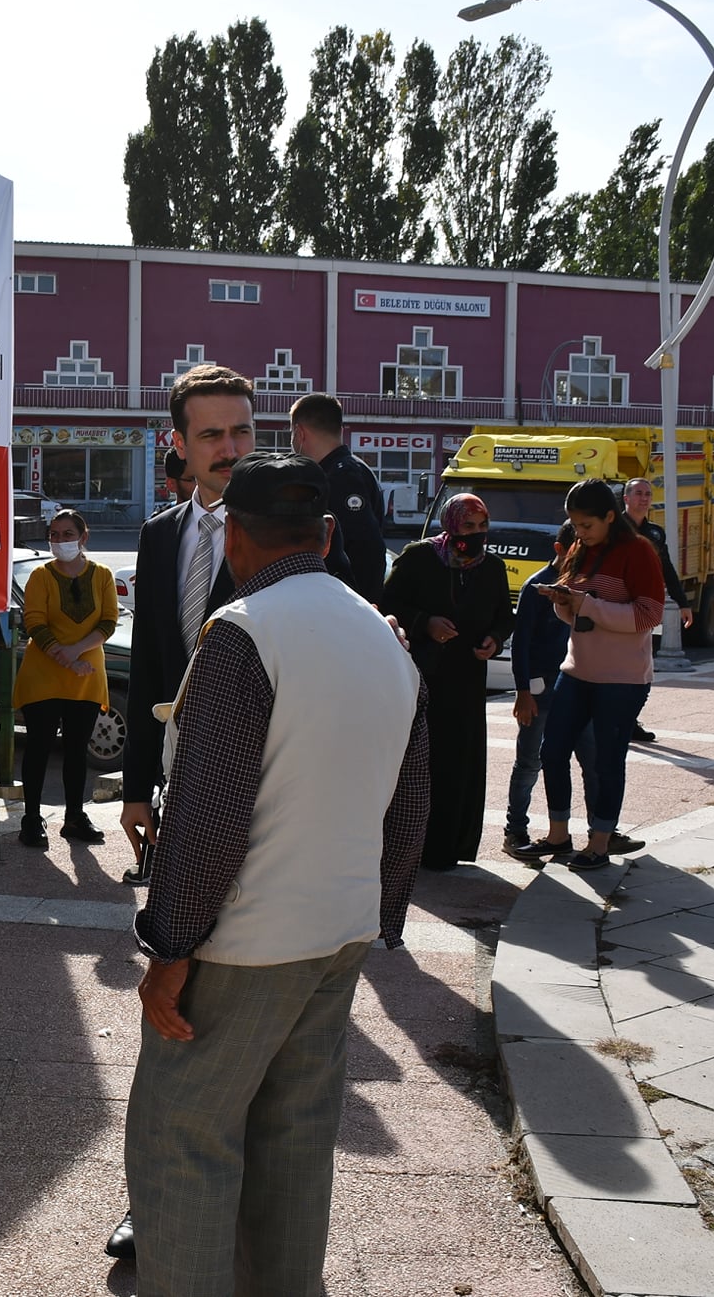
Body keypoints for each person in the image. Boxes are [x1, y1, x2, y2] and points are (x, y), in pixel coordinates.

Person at [125, 452, 427, 1297]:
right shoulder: (381, 632)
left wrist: (171, 946)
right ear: (327, 534)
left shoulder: (244, 631)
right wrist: (380, 915)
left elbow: (208, 815)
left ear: (235, 540)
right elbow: (412, 803)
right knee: (293, 1142)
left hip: (248, 938)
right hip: (340, 929)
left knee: (182, 1138)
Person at [107, 361, 255, 1263]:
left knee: (236, 1000)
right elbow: (153, 668)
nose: (230, 448)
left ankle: (230, 1201)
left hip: (264, 797)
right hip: (175, 782)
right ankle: (153, 1197)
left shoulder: (293, 530)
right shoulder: (159, 539)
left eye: (241, 429)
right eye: (211, 434)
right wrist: (132, 784)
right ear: (179, 442)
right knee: (173, 985)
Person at [535, 480, 663, 872]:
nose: (580, 534)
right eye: (574, 525)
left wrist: (587, 604)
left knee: (608, 761)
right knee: (552, 751)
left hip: (621, 679)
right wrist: (564, 602)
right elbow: (576, 614)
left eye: (587, 525)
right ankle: (559, 834)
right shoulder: (580, 548)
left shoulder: (638, 550)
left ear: (611, 516)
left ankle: (599, 843)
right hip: (577, 670)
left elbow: (648, 616)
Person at [381, 493, 513, 869]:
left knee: (459, 762)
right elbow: (386, 604)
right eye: (468, 526)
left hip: (467, 680)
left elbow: (505, 615)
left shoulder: (492, 568)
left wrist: (495, 640)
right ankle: (409, 847)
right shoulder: (419, 558)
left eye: (482, 527)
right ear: (450, 524)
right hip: (423, 676)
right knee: (421, 761)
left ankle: (449, 848)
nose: (475, 534)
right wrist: (426, 623)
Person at [14, 508, 119, 848]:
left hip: (86, 675)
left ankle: (75, 816)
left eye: (67, 534)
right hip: (43, 673)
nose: (60, 541)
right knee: (39, 747)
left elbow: (108, 621)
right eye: (54, 535)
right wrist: (66, 656)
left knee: (76, 749)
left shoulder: (102, 575)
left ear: (83, 537)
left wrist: (76, 652)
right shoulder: (41, 576)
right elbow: (34, 622)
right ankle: (31, 818)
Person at [502, 524, 604, 864]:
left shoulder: (588, 589)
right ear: (561, 549)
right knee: (530, 762)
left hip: (579, 689)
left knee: (592, 762)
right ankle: (515, 830)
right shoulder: (536, 589)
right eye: (579, 548)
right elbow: (521, 644)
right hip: (542, 692)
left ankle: (599, 832)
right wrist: (523, 692)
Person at [289, 391, 387, 602]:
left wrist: (359, 607)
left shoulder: (342, 476)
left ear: (299, 432)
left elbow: (367, 550)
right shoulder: (347, 470)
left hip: (344, 606)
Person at [623, 477, 693, 743]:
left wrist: (683, 602)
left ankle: (630, 721)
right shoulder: (614, 529)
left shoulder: (655, 533)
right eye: (638, 493)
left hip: (644, 607)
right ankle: (614, 719)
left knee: (643, 670)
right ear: (626, 498)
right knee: (616, 669)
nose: (644, 498)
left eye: (648, 494)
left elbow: (666, 568)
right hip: (615, 606)